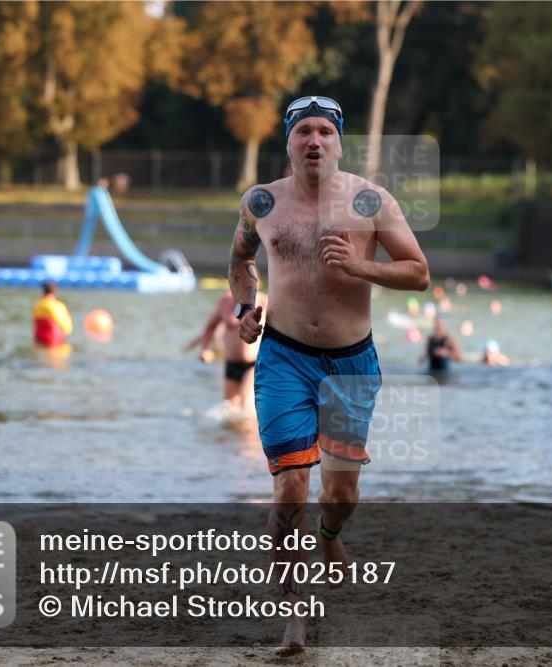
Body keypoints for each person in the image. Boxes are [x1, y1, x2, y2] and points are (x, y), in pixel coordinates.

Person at [228, 95, 429, 655]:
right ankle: (295, 621)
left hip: (351, 363)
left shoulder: (370, 200)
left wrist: (360, 265)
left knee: (340, 492)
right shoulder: (262, 201)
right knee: (290, 485)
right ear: (289, 141)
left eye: (324, 131)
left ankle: (332, 535)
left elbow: (418, 273)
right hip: (283, 359)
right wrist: (246, 310)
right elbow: (240, 262)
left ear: (339, 142)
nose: (313, 141)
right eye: (302, 132)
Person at [186, 289, 268, 412]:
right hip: (231, 363)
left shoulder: (263, 300)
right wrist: (205, 349)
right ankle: (230, 431)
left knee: (246, 405)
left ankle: (249, 431)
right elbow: (210, 326)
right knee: (230, 409)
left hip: (253, 364)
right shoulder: (225, 301)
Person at [33, 281, 73, 347]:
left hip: (39, 340)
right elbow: (67, 328)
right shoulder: (57, 306)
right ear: (55, 291)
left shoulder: (37, 304)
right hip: (54, 342)